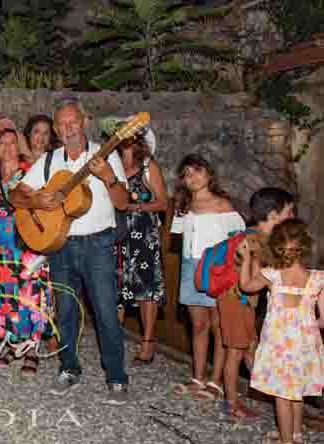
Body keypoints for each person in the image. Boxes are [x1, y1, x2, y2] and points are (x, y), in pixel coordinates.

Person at [10, 98, 130, 404]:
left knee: (106, 311)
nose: (68, 128)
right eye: (62, 124)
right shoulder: (49, 161)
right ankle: (69, 368)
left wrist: (108, 177)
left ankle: (117, 377)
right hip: (60, 245)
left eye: (73, 122)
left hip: (98, 244)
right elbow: (16, 195)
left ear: (85, 121)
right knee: (65, 312)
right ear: (55, 128)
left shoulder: (106, 155)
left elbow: (123, 202)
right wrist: (36, 201)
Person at [240, 219, 324, 444]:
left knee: (282, 396)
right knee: (296, 391)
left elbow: (246, 286)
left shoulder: (271, 275)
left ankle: (286, 441)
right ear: (304, 247)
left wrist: (247, 258)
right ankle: (296, 434)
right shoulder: (318, 279)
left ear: (276, 247)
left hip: (278, 346)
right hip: (305, 347)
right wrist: (306, 325)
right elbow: (323, 319)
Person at [170, 154, 244, 402]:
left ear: (209, 173)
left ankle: (216, 381)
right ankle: (198, 377)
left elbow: (240, 241)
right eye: (187, 174)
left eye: (197, 171)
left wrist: (232, 272)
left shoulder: (224, 206)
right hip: (190, 268)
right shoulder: (183, 207)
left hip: (216, 270)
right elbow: (180, 240)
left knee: (218, 326)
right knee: (198, 325)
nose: (192, 177)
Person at [219, 187, 295, 421]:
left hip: (240, 301)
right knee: (234, 352)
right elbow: (250, 282)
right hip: (237, 300)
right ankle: (231, 404)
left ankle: (274, 395)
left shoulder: (253, 235)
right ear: (273, 215)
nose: (292, 217)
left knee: (249, 348)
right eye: (289, 212)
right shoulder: (255, 241)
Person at [0, 129, 54, 376]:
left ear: (19, 146)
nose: (7, 147)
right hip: (0, 247)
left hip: (27, 244)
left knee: (30, 296)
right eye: (1, 143)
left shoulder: (30, 172)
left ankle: (32, 349)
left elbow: (44, 206)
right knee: (6, 296)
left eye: (12, 142)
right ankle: (13, 345)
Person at [104, 120, 168, 366]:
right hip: (117, 231)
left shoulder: (148, 166)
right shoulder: (112, 165)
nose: (126, 137)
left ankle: (148, 343)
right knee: (116, 284)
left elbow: (163, 202)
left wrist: (134, 207)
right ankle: (114, 340)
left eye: (130, 133)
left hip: (143, 232)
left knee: (146, 288)